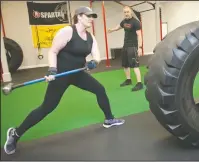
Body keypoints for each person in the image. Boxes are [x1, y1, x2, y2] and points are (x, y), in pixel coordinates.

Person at [4, 6, 125, 155]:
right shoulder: (67, 32)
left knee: (99, 89)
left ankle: (109, 119)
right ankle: (15, 134)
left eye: (93, 16)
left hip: (78, 74)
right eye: (88, 16)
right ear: (79, 17)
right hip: (60, 75)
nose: (91, 19)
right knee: (47, 108)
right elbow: (53, 51)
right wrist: (52, 70)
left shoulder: (90, 37)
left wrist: (94, 62)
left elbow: (97, 56)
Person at [108, 6, 143, 92]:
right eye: (125, 12)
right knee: (125, 64)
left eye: (127, 12)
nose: (126, 13)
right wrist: (111, 30)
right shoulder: (124, 21)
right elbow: (118, 27)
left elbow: (139, 35)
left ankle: (139, 83)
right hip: (125, 46)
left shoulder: (136, 22)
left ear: (131, 12)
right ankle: (128, 80)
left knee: (135, 65)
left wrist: (140, 47)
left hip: (133, 46)